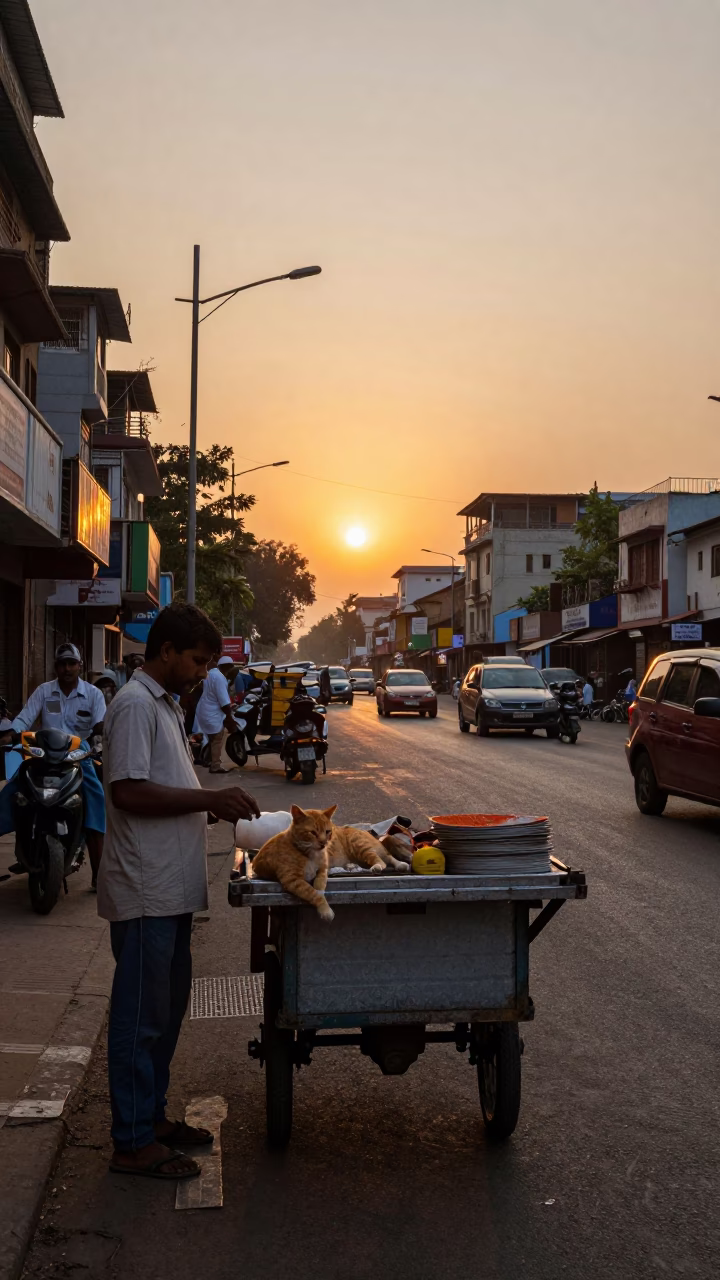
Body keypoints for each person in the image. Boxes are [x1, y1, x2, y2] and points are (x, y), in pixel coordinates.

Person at [99, 601, 260, 1182]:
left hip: (170, 890)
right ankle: (132, 1141)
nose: (201, 672)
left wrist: (211, 805)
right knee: (141, 1017)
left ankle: (152, 1120)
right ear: (165, 651)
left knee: (164, 1017)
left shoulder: (165, 704)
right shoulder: (135, 705)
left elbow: (164, 785)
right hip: (145, 891)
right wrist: (208, 800)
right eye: (195, 660)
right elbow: (129, 793)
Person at [0, 642, 106, 887]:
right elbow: (25, 718)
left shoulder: (93, 694)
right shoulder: (44, 691)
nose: (67, 668)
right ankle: (25, 844)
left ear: (80, 666)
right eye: (62, 664)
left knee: (96, 799)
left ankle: (99, 874)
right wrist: (12, 735)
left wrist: (104, 731)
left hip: (77, 757)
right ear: (55, 667)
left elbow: (101, 724)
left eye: (71, 663)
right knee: (14, 790)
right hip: (42, 753)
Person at [194, 654, 237, 773]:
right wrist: (229, 718)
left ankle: (208, 760)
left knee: (210, 738)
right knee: (217, 739)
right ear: (228, 667)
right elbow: (224, 701)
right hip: (212, 713)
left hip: (203, 710)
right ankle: (215, 765)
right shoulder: (220, 678)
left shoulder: (211, 673)